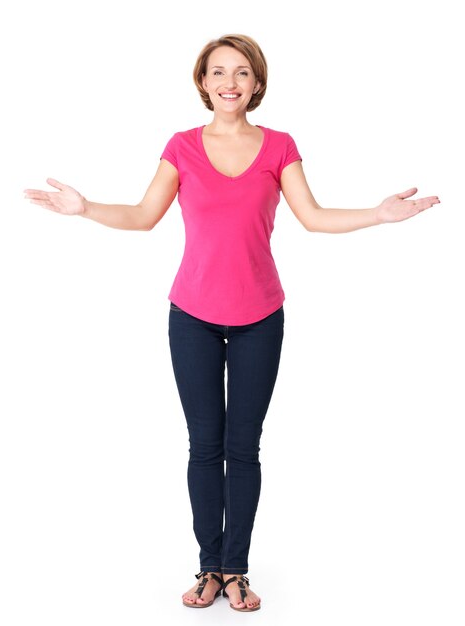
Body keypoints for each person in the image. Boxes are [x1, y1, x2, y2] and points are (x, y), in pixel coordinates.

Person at [23, 33, 440, 613]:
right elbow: (145, 216)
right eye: (218, 72)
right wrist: (86, 207)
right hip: (191, 317)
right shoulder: (182, 147)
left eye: (241, 72)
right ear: (202, 82)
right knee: (203, 447)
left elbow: (314, 218)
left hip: (259, 318)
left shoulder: (280, 147)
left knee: (243, 450)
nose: (229, 82)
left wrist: (380, 214)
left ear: (256, 83)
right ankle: (207, 568)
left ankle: (236, 569)